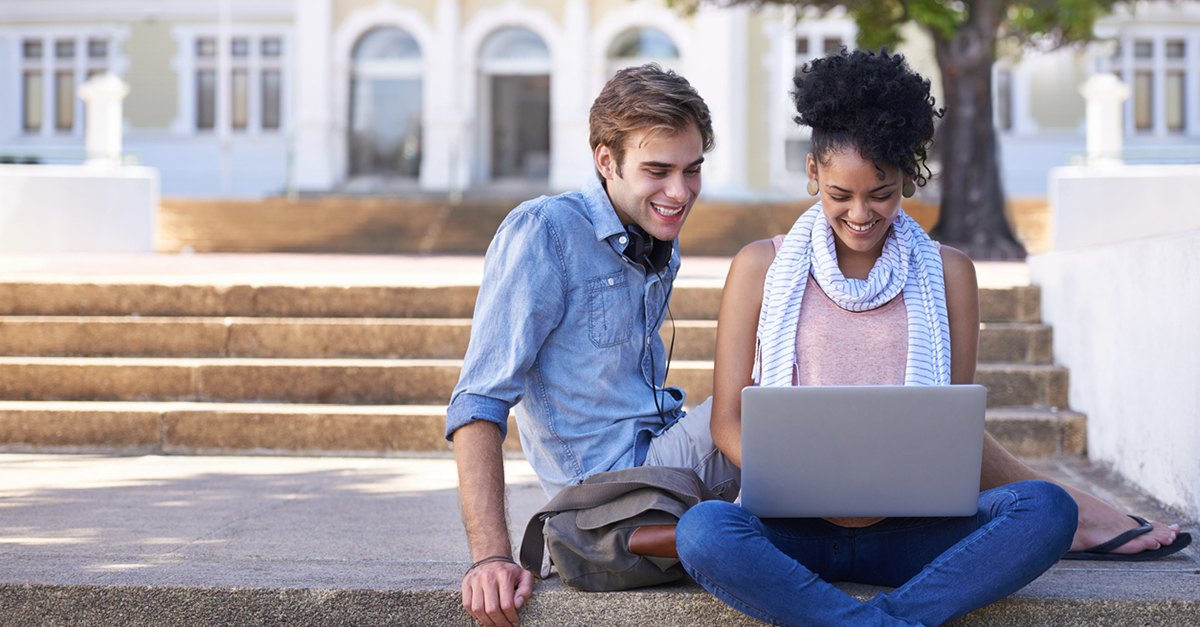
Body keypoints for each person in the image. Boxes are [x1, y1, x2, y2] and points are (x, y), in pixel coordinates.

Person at [674, 48, 1189, 626]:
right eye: (840, 195)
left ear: (908, 178)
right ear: (813, 171)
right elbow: (727, 423)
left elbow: (953, 427)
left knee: (1046, 509)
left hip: (913, 535)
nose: (861, 214)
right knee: (703, 531)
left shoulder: (949, 272)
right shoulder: (758, 266)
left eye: (882, 192)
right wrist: (808, 482)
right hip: (790, 529)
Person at [445, 64, 740, 627]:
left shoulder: (658, 241)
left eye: (692, 170)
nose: (680, 192)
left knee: (792, 429)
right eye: (658, 171)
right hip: (608, 492)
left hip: (660, 463)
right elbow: (478, 401)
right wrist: (490, 558)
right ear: (606, 161)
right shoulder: (544, 232)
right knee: (761, 400)